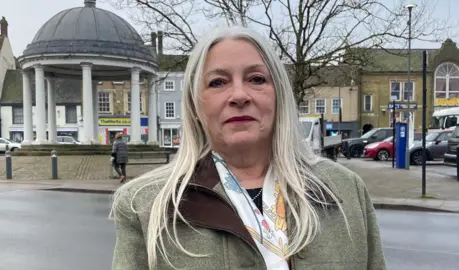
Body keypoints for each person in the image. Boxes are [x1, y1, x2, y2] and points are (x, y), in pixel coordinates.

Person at [110, 26, 387, 270]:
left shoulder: (345, 190)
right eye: (217, 82)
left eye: (256, 79)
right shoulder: (145, 206)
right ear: (195, 105)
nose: (239, 95)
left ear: (278, 95)